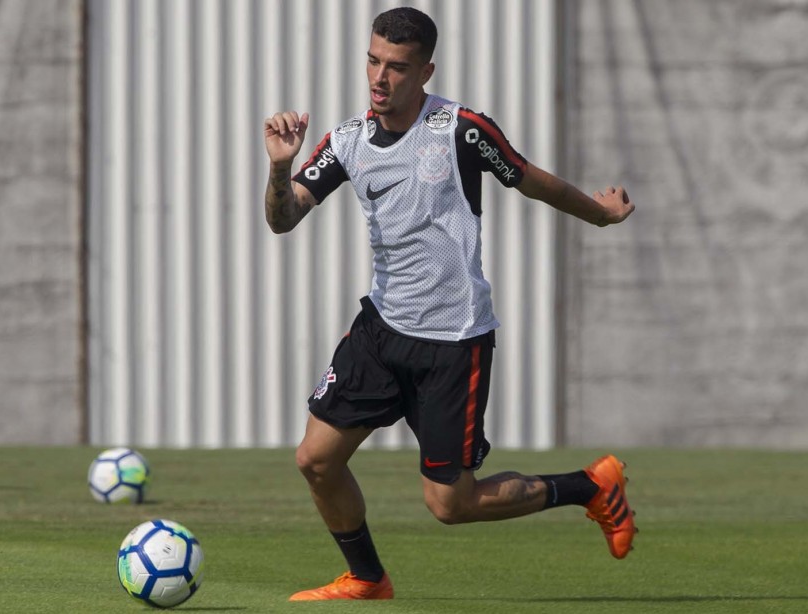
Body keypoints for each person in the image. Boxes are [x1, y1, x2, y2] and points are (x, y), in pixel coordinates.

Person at [262, 7, 637, 602]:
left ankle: (590, 487)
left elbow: (531, 180)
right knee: (316, 459)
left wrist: (601, 213)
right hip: (381, 332)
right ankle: (366, 578)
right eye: (373, 61)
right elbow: (283, 220)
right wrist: (280, 170)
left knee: (451, 504)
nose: (380, 78)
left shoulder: (460, 130)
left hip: (452, 343)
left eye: (398, 68)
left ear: (425, 71)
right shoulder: (347, 142)